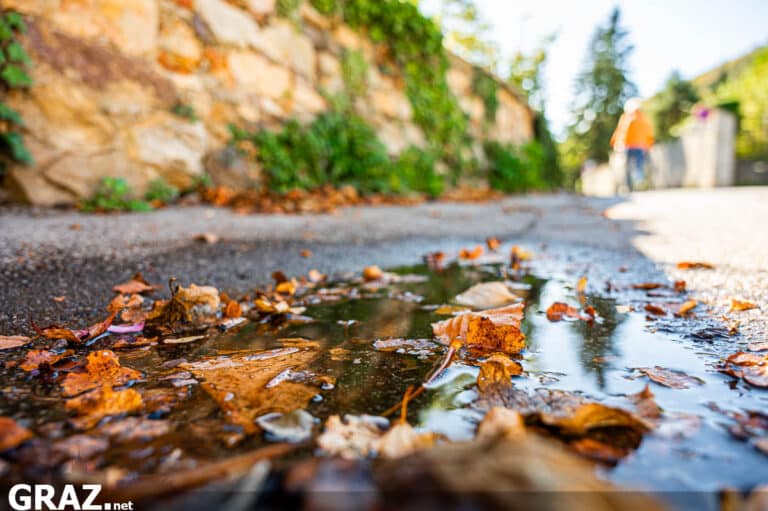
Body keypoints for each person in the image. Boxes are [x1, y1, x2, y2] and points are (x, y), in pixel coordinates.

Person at [610, 97, 654, 191]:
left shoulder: (626, 117)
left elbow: (621, 131)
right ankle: (639, 182)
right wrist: (649, 145)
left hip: (629, 146)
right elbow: (650, 134)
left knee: (629, 166)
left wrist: (615, 143)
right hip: (641, 146)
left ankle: (632, 185)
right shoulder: (645, 119)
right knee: (638, 165)